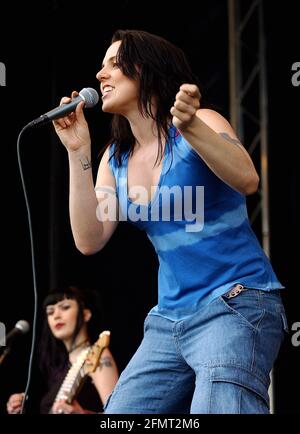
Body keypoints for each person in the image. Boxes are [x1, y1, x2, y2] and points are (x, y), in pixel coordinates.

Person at [50, 29, 288, 414]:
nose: (100, 75)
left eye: (113, 64)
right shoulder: (116, 157)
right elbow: (89, 240)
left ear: (144, 71)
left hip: (236, 300)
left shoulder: (202, 121)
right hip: (168, 321)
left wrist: (191, 126)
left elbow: (247, 179)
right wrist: (78, 151)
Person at [6, 286, 119, 414]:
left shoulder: (98, 355)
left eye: (65, 307)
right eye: (50, 312)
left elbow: (119, 416)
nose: (56, 316)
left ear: (86, 314)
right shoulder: (58, 367)